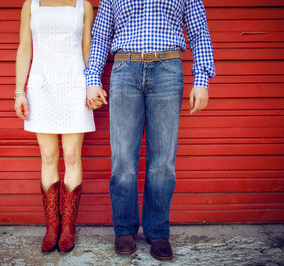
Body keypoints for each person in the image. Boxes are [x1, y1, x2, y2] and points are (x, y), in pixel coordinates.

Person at [85, 0, 216, 261]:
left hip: (167, 70)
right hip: (125, 69)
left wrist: (201, 79)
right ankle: (124, 230)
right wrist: (92, 80)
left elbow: (199, 31)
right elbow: (100, 35)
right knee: (122, 160)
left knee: (163, 162)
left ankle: (157, 232)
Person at [14, 0, 95, 253]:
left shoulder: (84, 6)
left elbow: (87, 51)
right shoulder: (31, 5)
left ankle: (68, 228)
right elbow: (25, 48)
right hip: (42, 86)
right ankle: (52, 227)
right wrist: (19, 92)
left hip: (74, 85)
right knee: (48, 156)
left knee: (72, 156)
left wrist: (92, 86)